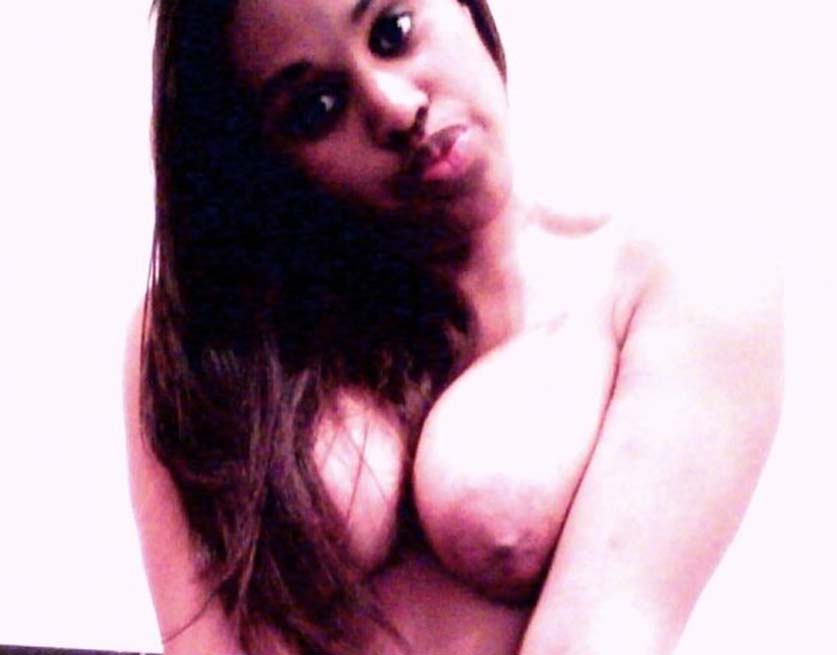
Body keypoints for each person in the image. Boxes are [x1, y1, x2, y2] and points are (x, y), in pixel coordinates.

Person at [124, 0, 783, 653]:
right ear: (266, 160)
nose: (392, 106)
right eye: (317, 107)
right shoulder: (205, 337)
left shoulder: (674, 281)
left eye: (393, 32)